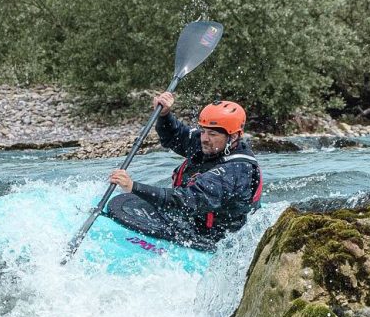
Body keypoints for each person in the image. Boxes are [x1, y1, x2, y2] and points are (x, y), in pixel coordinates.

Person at [106, 92, 262, 251]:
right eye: (203, 131)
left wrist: (133, 187)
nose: (204, 138)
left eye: (212, 134)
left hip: (212, 241)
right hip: (188, 221)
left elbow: (186, 201)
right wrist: (165, 114)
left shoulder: (236, 171)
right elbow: (174, 136)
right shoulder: (210, 144)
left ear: (234, 137)